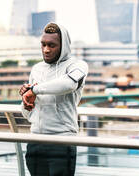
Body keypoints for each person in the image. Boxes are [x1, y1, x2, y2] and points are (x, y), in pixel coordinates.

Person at [20, 22, 88, 176]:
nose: (46, 50)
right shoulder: (36, 69)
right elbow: (27, 114)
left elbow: (69, 84)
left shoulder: (78, 65)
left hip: (62, 141)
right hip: (35, 141)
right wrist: (26, 104)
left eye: (51, 45)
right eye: (43, 45)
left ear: (63, 46)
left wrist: (35, 90)